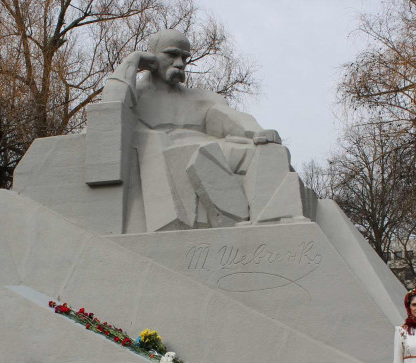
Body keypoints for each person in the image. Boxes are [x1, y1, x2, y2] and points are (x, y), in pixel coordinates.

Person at [99, 29, 306, 231]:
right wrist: (132, 61)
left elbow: (228, 116)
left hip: (214, 149)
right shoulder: (136, 96)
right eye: (171, 55)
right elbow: (109, 110)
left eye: (184, 57)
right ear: (151, 56)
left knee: (271, 152)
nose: (179, 63)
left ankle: (276, 223)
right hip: (176, 156)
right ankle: (237, 224)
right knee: (205, 156)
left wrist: (256, 132)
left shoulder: (201, 98)